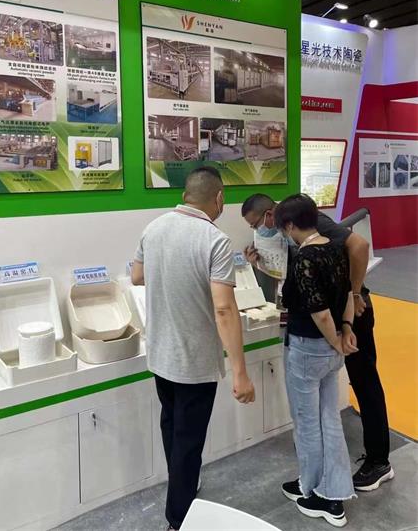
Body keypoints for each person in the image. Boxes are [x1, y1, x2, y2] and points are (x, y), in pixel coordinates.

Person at [241, 193, 393, 492]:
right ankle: (326, 478)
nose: (258, 231)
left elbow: (359, 246)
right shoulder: (294, 236)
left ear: (273, 216)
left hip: (346, 313)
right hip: (332, 320)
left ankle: (379, 461)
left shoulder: (308, 223)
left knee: (363, 382)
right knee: (326, 406)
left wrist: (355, 294)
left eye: (257, 224)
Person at [131, 167, 255, 531]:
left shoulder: (154, 227)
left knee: (172, 428)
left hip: (160, 355)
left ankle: (182, 486)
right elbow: (224, 308)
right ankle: (179, 519)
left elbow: (136, 276)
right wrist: (240, 372)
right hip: (195, 362)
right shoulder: (215, 240)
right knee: (189, 440)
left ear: (186, 195)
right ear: (219, 198)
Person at [275, 194, 358, 527]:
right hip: (331, 351)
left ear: (290, 225)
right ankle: (329, 488)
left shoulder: (305, 258)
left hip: (308, 348)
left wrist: (334, 338)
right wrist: (345, 331)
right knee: (328, 419)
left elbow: (320, 312)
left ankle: (317, 492)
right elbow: (348, 294)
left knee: (307, 422)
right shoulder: (335, 248)